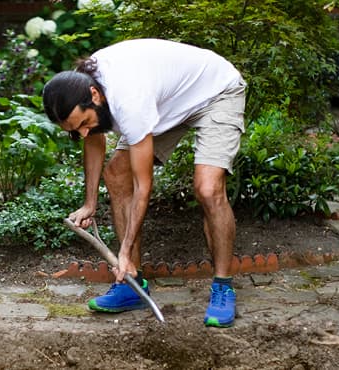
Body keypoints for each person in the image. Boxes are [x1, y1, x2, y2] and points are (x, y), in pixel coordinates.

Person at [42, 38, 246, 327]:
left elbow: (143, 187)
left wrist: (122, 252)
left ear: (94, 95)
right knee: (116, 174)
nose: (84, 133)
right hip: (167, 103)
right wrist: (90, 203)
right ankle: (132, 285)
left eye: (85, 122)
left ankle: (223, 287)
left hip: (215, 93)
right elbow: (94, 140)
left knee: (208, 188)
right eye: (76, 130)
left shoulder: (129, 100)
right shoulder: (87, 94)